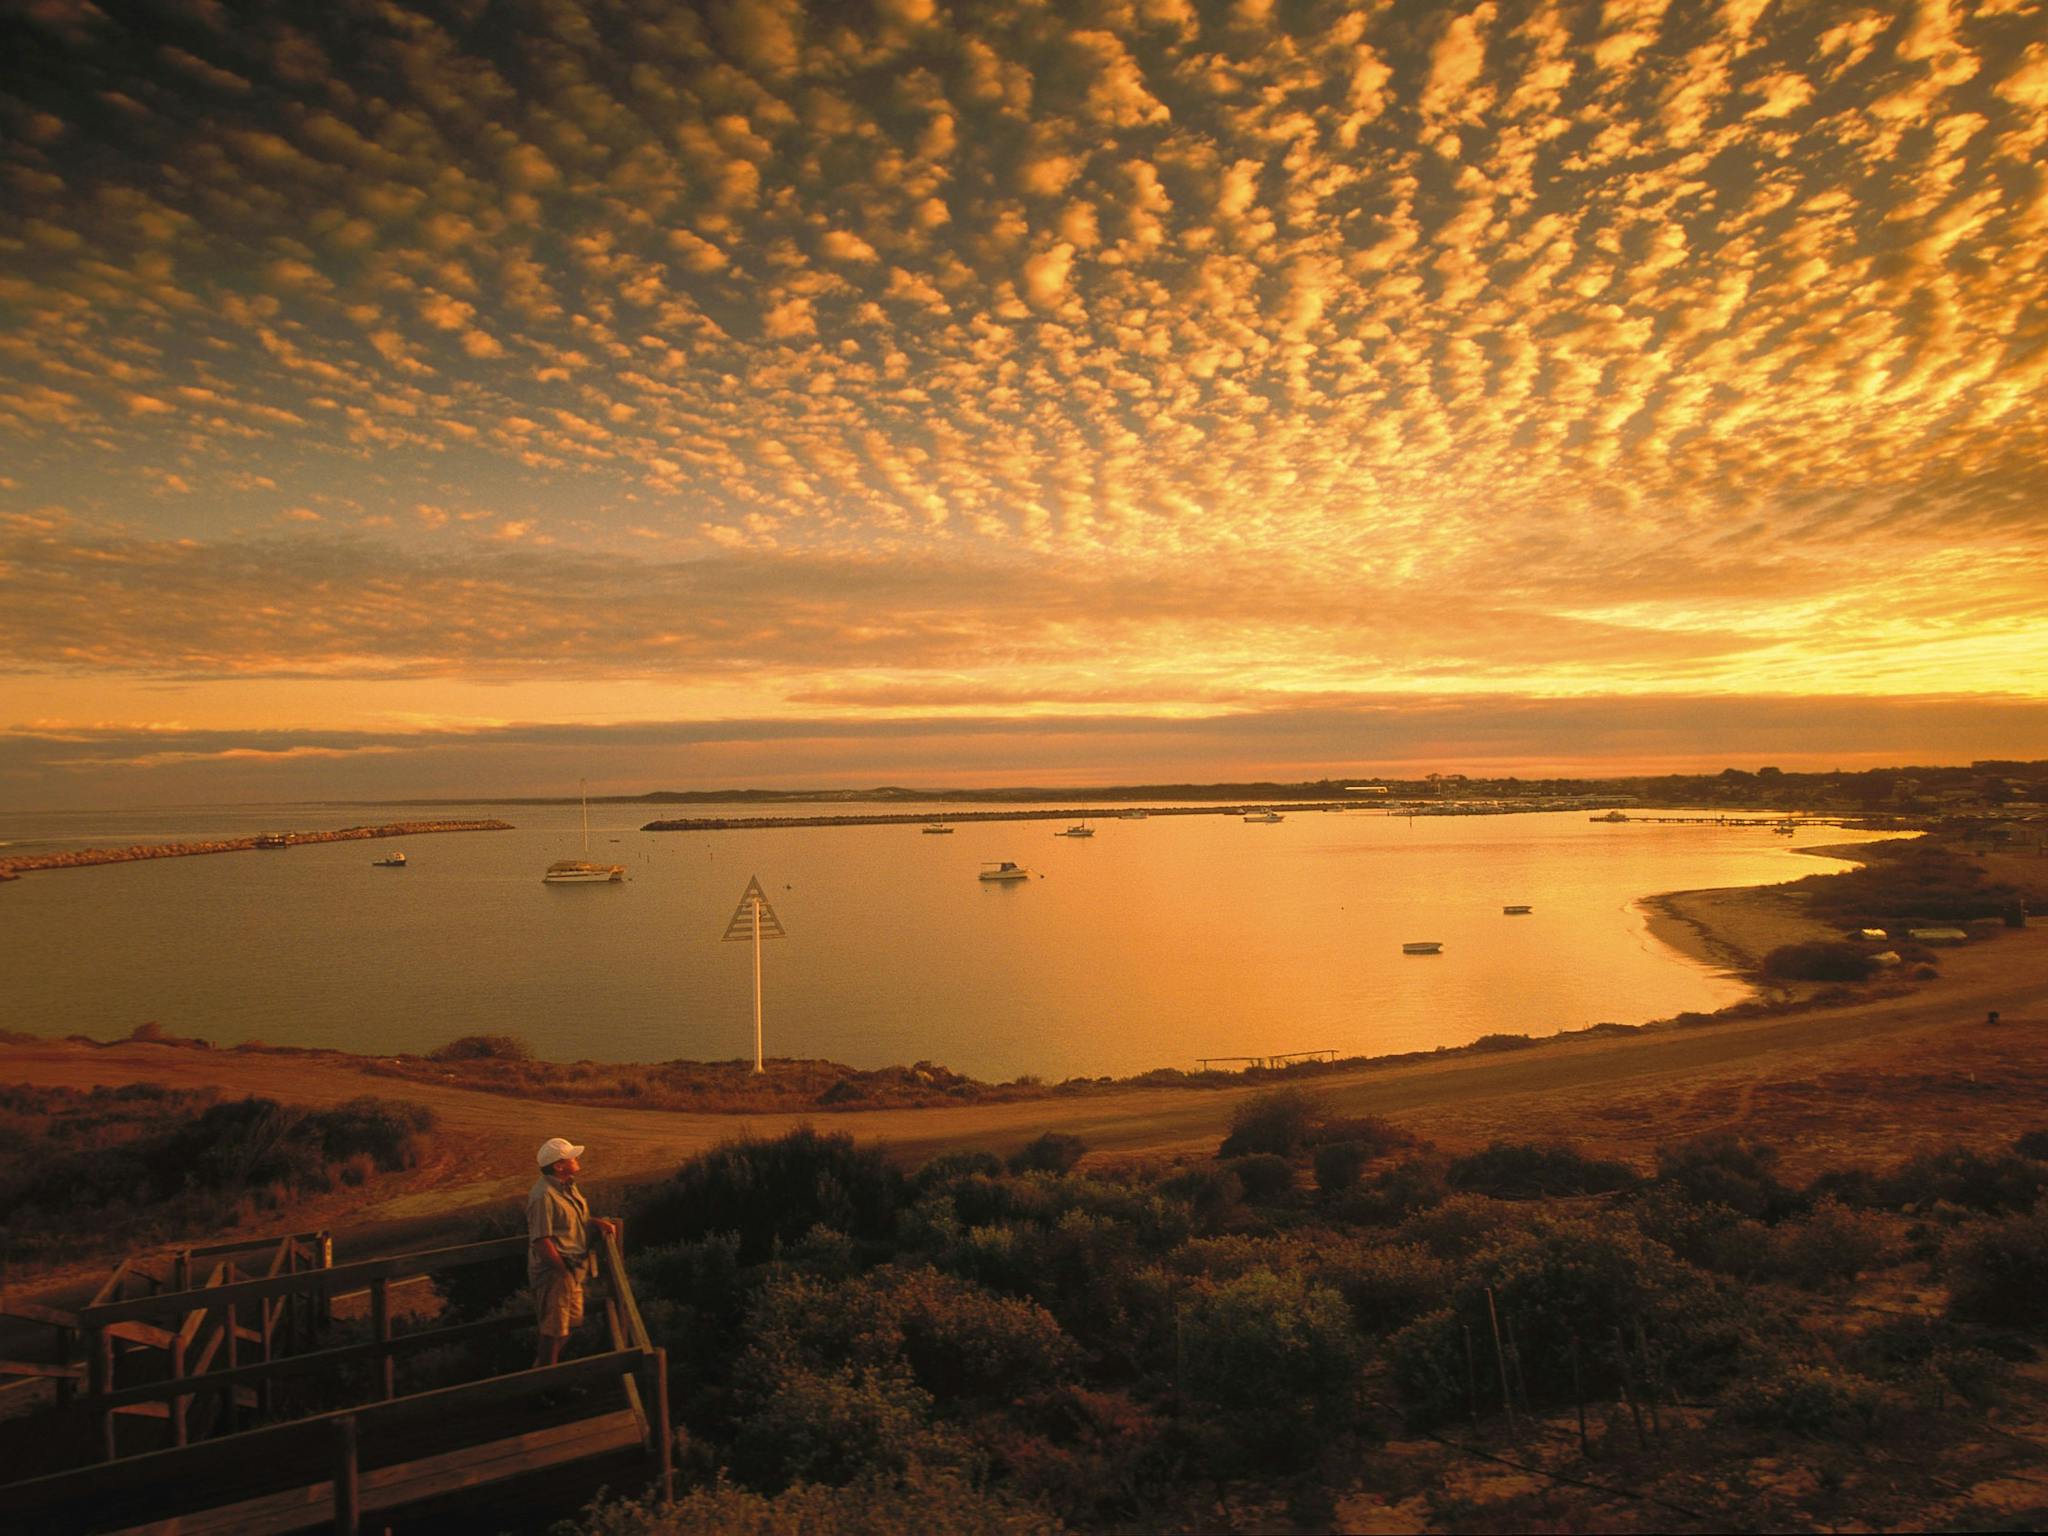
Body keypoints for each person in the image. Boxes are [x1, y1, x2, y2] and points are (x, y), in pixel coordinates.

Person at [528, 1136, 619, 1368]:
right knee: (553, 1331)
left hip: (573, 1270)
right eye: (572, 1157)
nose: (577, 1159)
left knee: (569, 1326)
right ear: (559, 1165)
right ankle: (543, 1385)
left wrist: (597, 1223)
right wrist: (563, 1272)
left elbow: (578, 1220)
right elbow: (541, 1240)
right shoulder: (543, 1196)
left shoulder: (569, 1186)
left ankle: (544, 1376)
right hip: (556, 1273)